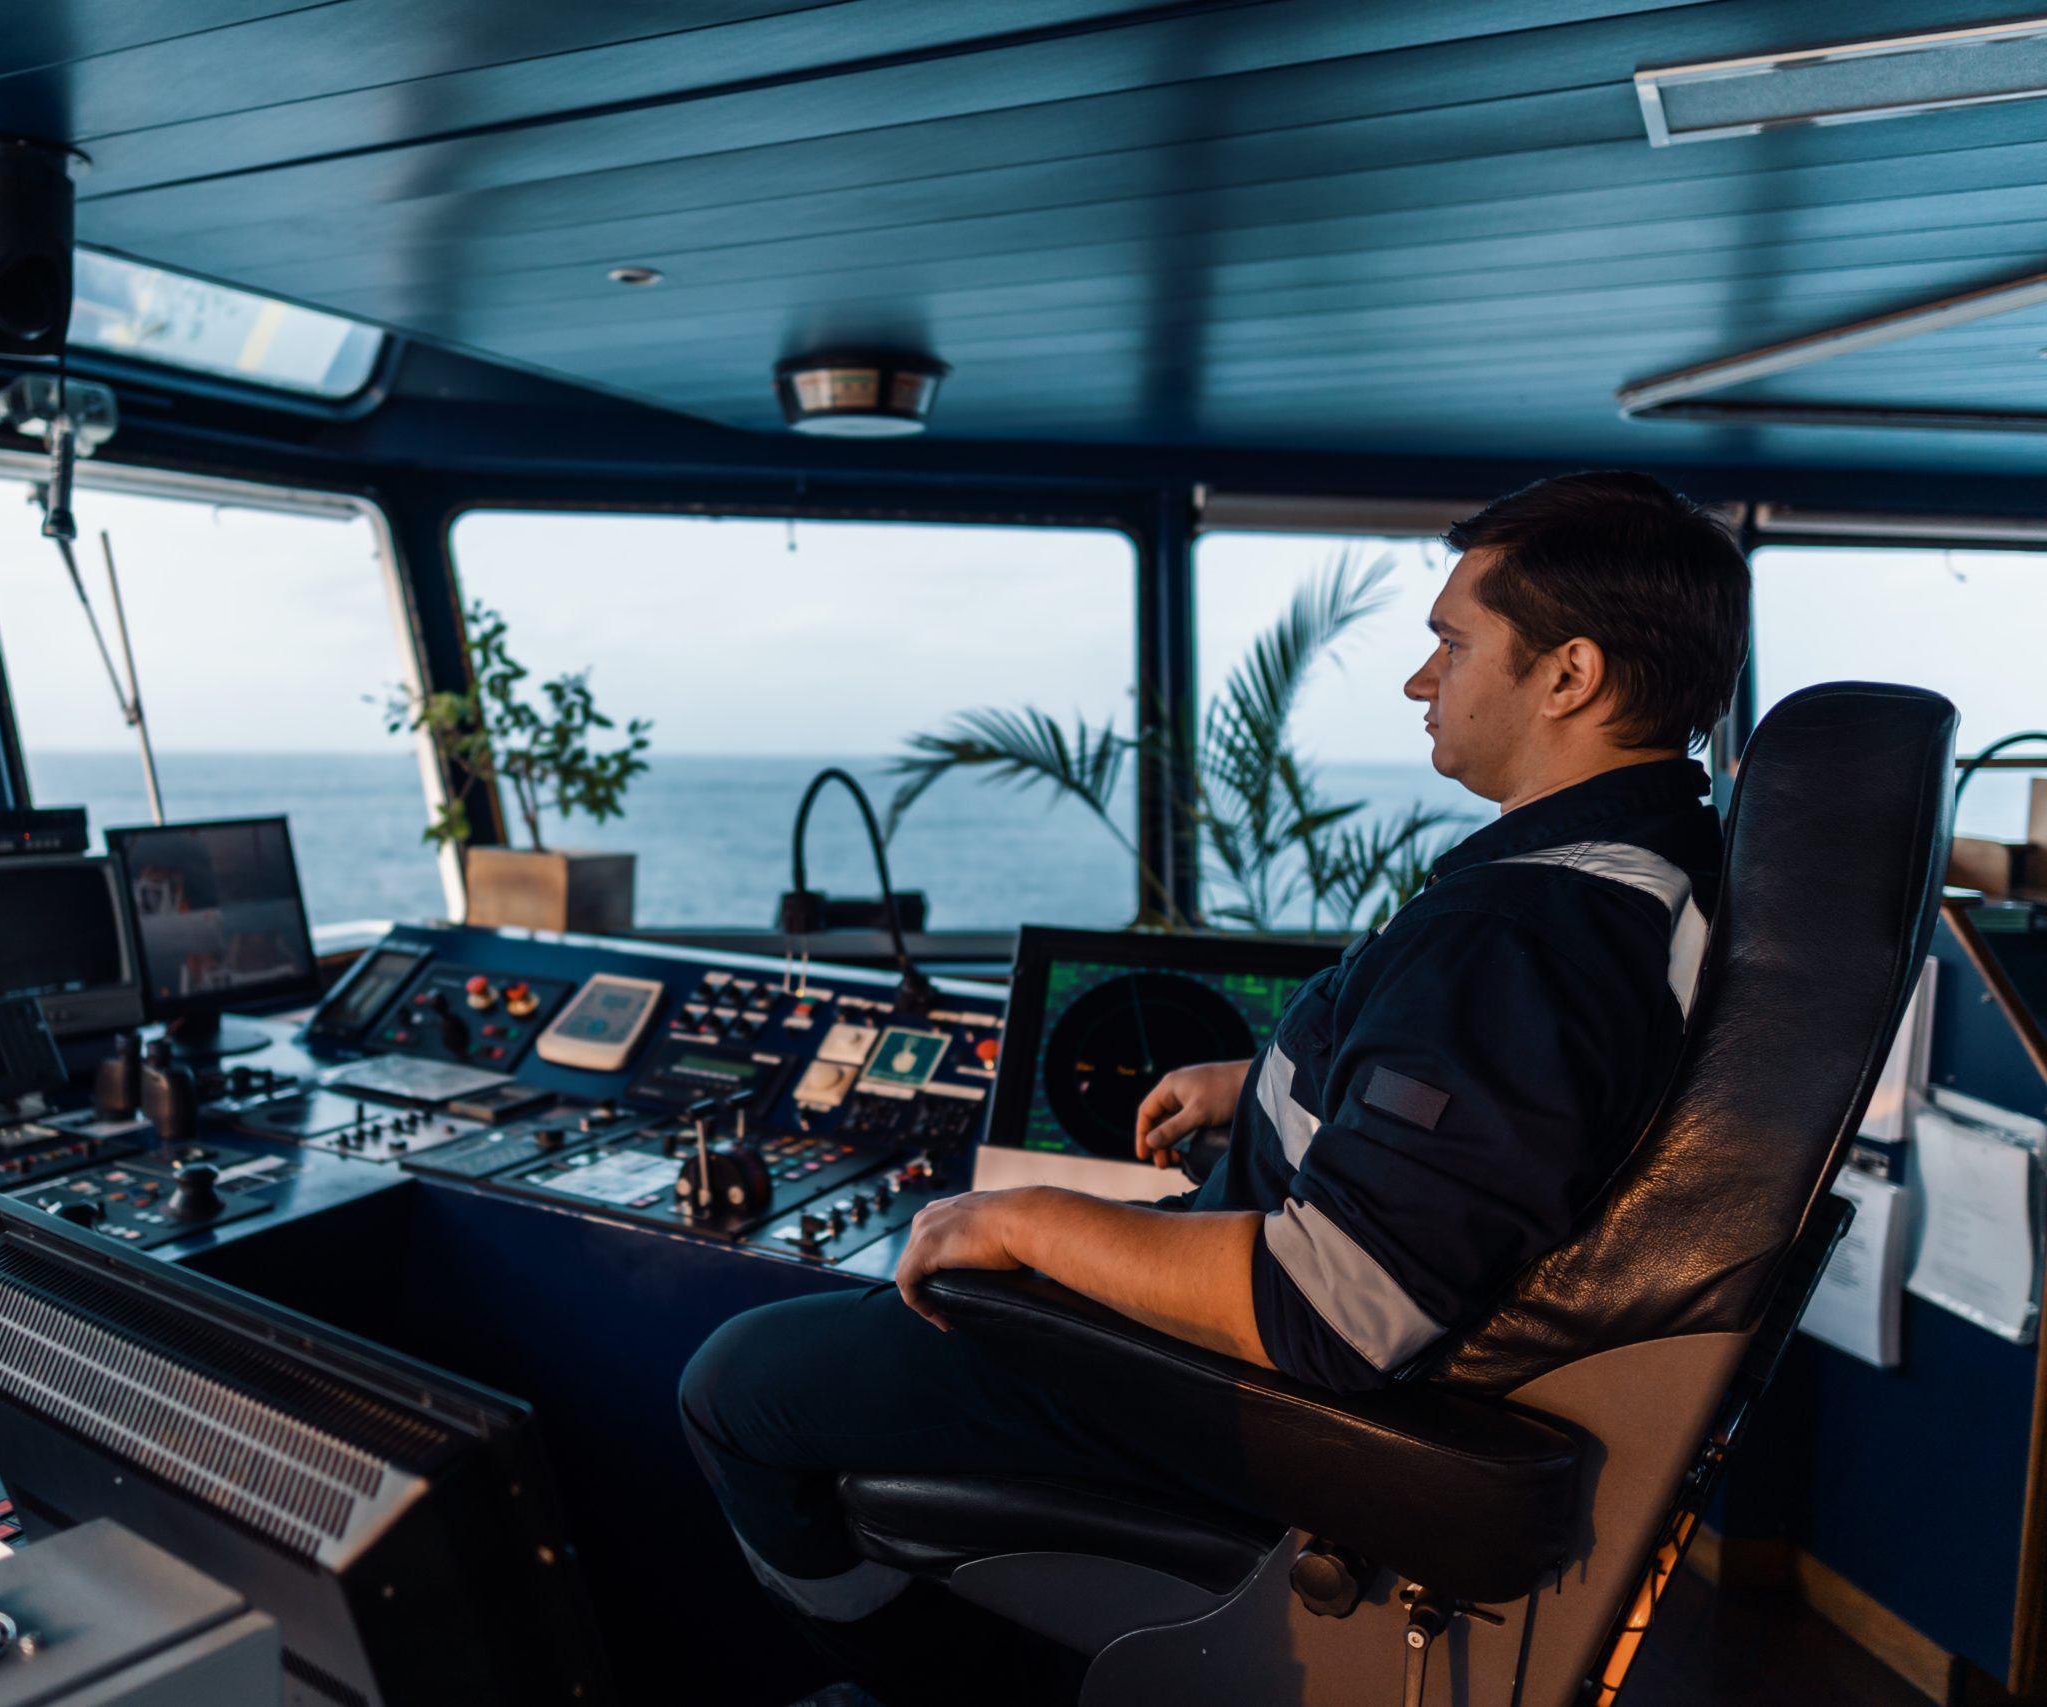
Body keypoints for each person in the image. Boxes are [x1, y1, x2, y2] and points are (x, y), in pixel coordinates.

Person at [678, 471, 1753, 1706]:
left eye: (1452, 646)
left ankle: (934, 1683)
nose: (1421, 682)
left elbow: (1341, 1306)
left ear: (1571, 676)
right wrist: (1270, 1085)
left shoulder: (1525, 931)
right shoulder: (1646, 869)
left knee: (740, 1378)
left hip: (1259, 1410)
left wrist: (1025, 1220)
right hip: (1327, 1356)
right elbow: (1513, 1104)